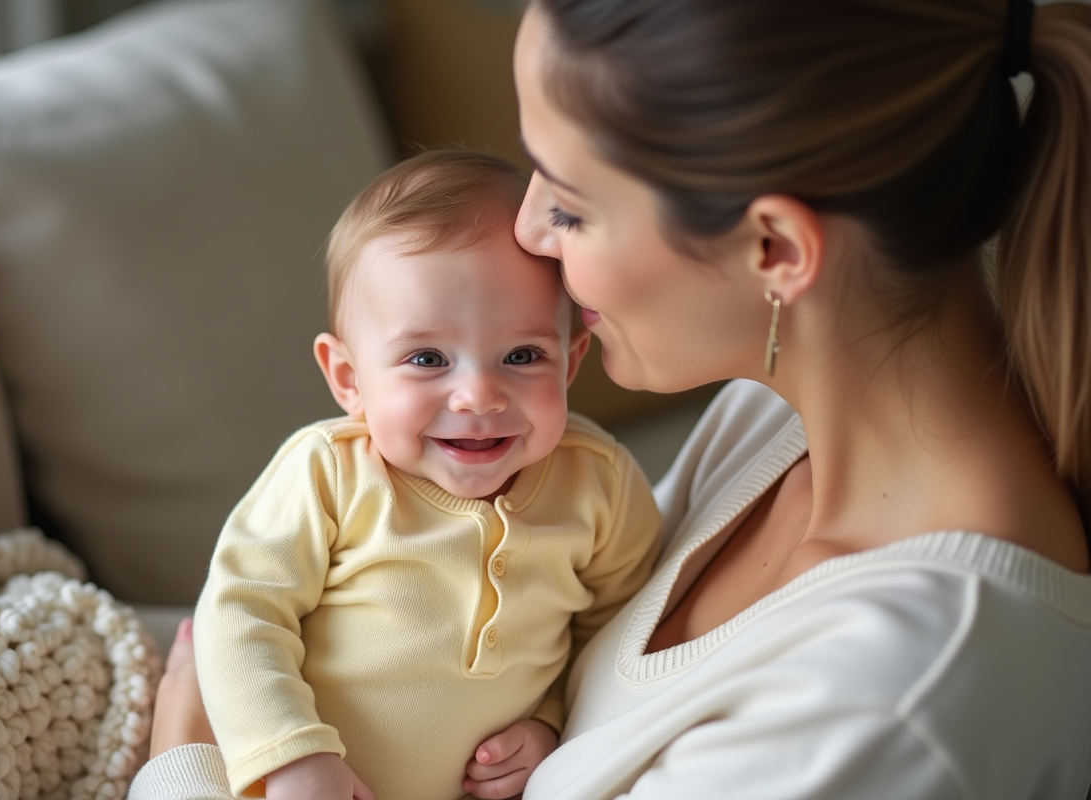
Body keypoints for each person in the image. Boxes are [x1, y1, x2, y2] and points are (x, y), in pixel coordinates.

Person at [130, 0, 1091, 797]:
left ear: (774, 250)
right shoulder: (779, 415)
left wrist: (181, 760)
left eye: (572, 203)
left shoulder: (888, 709)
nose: (526, 233)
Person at [190, 149, 661, 800]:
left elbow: (618, 642)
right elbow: (240, 611)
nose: (478, 396)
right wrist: (292, 755)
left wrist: (551, 724)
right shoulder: (328, 473)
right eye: (428, 358)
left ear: (570, 362)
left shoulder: (601, 486)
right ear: (349, 379)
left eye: (522, 355)